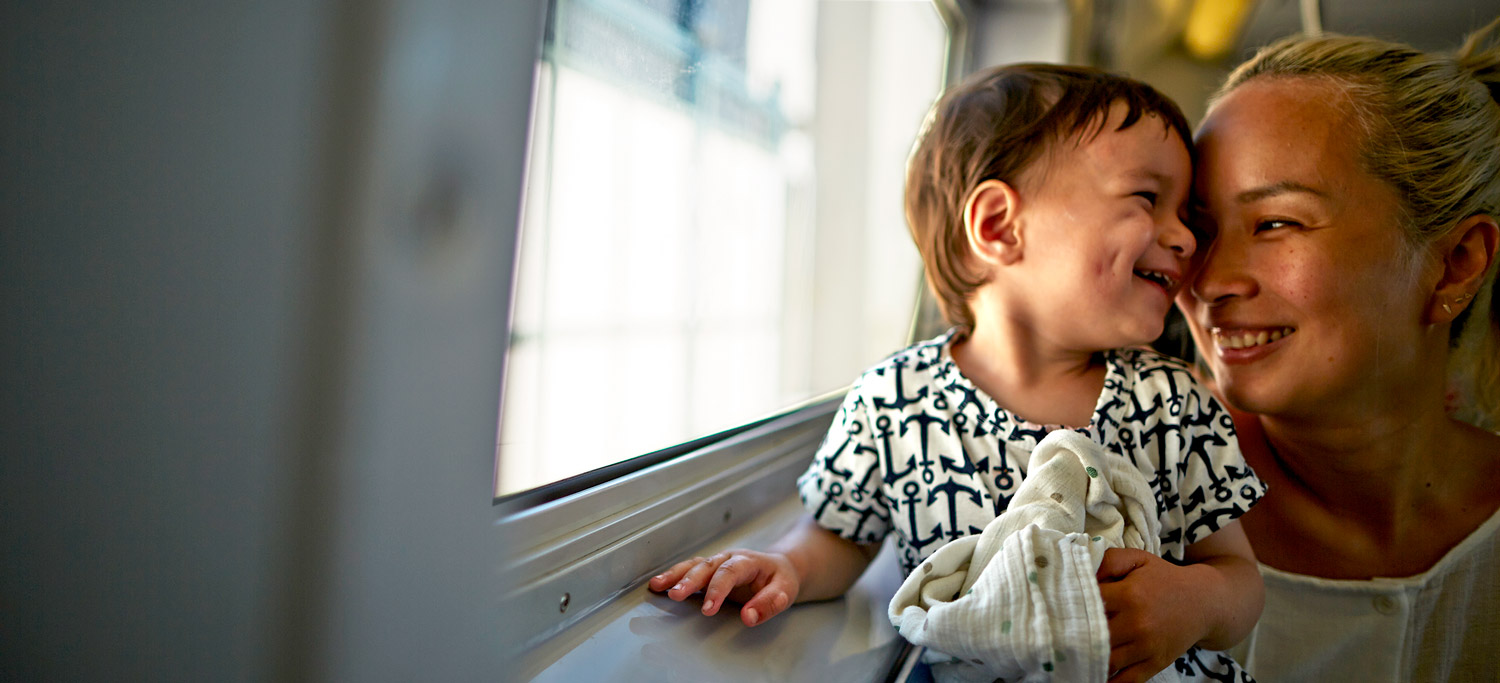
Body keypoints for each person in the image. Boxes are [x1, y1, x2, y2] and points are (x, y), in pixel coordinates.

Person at [650, 63, 1266, 682]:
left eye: (1185, 212)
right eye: (1147, 199)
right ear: (999, 226)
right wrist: (785, 567)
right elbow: (839, 537)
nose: (1184, 237)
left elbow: (1240, 581)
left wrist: (1193, 603)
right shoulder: (893, 401)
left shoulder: (1173, 401)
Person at [1174, 20, 1500, 681]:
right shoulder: (1135, 510)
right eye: (1199, 228)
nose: (1208, 280)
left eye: (1276, 223)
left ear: (1455, 265)